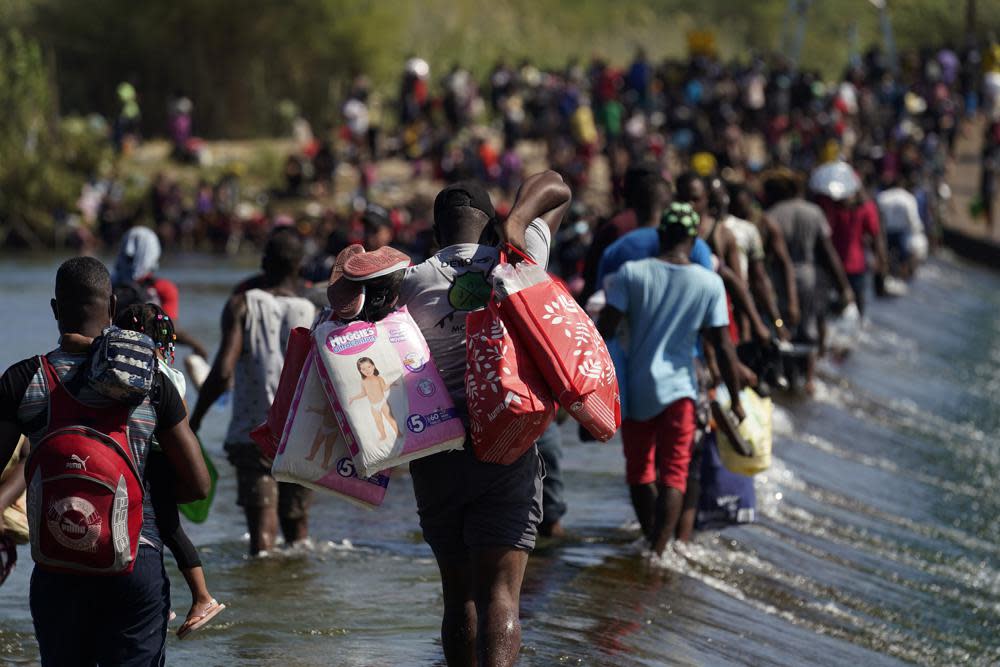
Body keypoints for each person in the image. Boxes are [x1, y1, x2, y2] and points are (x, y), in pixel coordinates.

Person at [394, 171, 570, 666]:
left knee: (458, 594)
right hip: (507, 440)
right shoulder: (520, 261)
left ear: (435, 235)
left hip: (437, 449)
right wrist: (519, 221)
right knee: (502, 595)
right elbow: (556, 185)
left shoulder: (410, 281)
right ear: (491, 228)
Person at [0, 257, 209, 665]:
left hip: (58, 564)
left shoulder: (25, 379)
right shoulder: (152, 381)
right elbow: (199, 484)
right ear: (113, 307)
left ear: (55, 310)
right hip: (134, 558)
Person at [597, 202, 744, 557]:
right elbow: (722, 346)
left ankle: (651, 541)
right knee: (675, 473)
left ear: (661, 234)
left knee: (640, 470)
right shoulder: (709, 283)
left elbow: (604, 330)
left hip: (635, 389)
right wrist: (736, 399)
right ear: (693, 239)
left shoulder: (631, 274)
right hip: (681, 390)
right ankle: (660, 552)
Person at [190, 230, 317, 556]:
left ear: (263, 264)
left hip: (253, 435)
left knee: (262, 543)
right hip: (301, 437)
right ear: (300, 266)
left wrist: (195, 421)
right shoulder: (313, 310)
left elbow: (221, 373)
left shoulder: (242, 305)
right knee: (299, 535)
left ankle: (264, 598)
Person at [116, 303, 226, 638]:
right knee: (162, 531)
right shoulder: (172, 373)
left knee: (164, 530)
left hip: (154, 462)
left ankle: (201, 598)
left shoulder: (146, 374)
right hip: (172, 459)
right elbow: (183, 420)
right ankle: (169, 603)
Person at [764, 171, 855, 394]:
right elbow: (827, 251)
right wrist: (843, 285)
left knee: (780, 326)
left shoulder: (773, 214)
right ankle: (809, 381)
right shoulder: (814, 213)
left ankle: (777, 374)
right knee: (809, 327)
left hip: (778, 277)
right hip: (809, 276)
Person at [112, 225, 209, 358]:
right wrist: (196, 346)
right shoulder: (162, 288)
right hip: (149, 364)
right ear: (153, 252)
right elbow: (170, 331)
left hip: (109, 359)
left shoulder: (106, 285)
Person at [348, 357, 400, 442]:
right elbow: (364, 393)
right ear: (360, 371)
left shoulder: (378, 378)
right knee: (378, 422)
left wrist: (391, 384)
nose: (367, 370)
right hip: (373, 405)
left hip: (383, 403)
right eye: (363, 369)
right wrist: (353, 398)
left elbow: (384, 388)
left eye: (369, 367)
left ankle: (398, 432)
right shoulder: (363, 381)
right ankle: (383, 435)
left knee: (390, 417)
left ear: (373, 366)